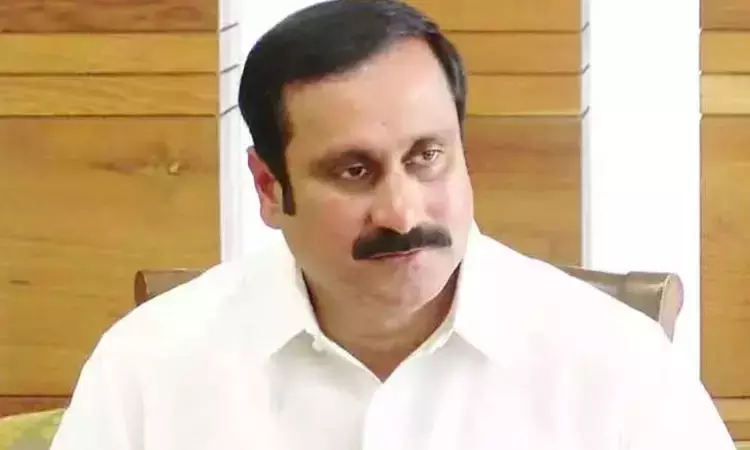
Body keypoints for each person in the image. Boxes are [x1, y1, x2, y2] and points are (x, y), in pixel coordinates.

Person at [51, 1, 734, 449]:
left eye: (426, 157)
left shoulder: (616, 364)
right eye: (354, 171)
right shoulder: (149, 367)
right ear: (269, 187)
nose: (403, 214)